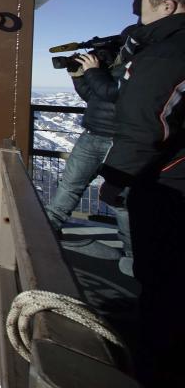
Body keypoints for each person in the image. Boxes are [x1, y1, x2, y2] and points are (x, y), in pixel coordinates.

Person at [100, 0, 185, 387]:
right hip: (170, 173)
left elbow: (145, 122)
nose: (137, 23)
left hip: (167, 181)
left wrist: (115, 178)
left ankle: (154, 359)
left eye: (143, 13)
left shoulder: (167, 53)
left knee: (161, 271)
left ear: (167, 7)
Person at [45, 52, 133, 275]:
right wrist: (78, 76)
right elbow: (94, 97)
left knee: (121, 199)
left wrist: (94, 72)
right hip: (93, 134)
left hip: (122, 140)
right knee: (70, 184)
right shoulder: (112, 67)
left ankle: (132, 254)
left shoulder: (139, 65)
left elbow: (113, 94)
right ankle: (48, 230)